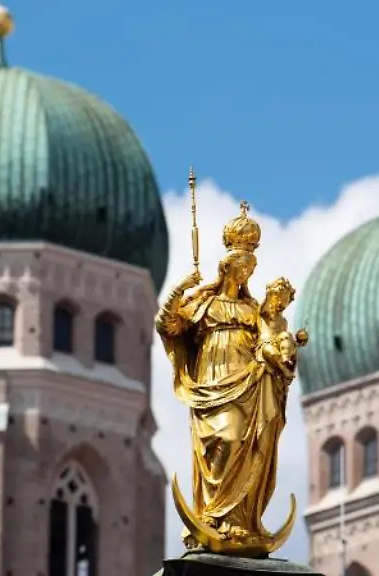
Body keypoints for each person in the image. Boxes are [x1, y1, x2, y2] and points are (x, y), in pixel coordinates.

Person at [156, 203, 297, 552]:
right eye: (241, 267)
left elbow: (270, 340)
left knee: (252, 446)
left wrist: (281, 355)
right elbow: (167, 325)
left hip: (249, 384)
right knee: (223, 442)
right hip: (211, 381)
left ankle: (243, 524)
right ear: (227, 267)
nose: (245, 274)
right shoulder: (203, 304)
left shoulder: (254, 311)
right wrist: (179, 290)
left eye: (250, 268)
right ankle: (213, 518)